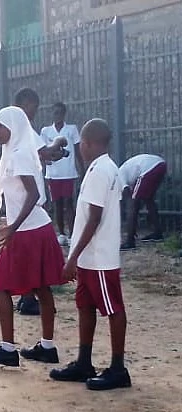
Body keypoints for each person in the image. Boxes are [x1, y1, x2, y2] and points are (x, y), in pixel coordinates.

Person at [0, 106, 64, 367]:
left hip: (26, 232)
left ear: (12, 126)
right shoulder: (15, 152)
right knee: (40, 287)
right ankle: (47, 347)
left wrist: (12, 228)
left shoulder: (19, 154)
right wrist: (10, 220)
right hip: (34, 228)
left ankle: (8, 349)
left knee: (0, 287)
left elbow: (34, 196)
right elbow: (23, 196)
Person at [50, 119, 130, 390]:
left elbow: (94, 219)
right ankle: (84, 361)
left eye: (82, 143)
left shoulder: (101, 171)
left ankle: (118, 369)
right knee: (85, 306)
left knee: (112, 308)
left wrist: (72, 258)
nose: (80, 148)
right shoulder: (103, 168)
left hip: (99, 258)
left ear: (90, 143)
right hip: (88, 258)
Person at [13, 88, 69, 317]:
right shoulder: (25, 129)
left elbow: (45, 155)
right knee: (33, 253)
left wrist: (56, 153)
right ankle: (29, 297)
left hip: (25, 199)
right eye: (34, 106)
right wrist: (59, 141)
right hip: (30, 201)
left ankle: (27, 296)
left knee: (27, 251)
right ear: (26, 104)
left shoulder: (18, 130)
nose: (35, 111)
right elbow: (46, 151)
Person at [40, 102, 85, 246]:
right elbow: (42, 152)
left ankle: (72, 234)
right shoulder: (46, 131)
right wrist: (43, 163)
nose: (57, 115)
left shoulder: (71, 129)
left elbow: (78, 151)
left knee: (69, 203)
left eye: (60, 112)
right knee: (57, 204)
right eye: (55, 112)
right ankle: (61, 234)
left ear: (64, 114)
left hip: (68, 173)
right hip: (53, 174)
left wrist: (82, 169)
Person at [118, 154, 167, 250]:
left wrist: (130, 221)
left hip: (148, 168)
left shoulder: (118, 176)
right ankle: (158, 233)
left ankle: (130, 241)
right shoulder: (125, 172)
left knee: (132, 203)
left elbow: (129, 198)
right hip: (160, 164)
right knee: (149, 200)